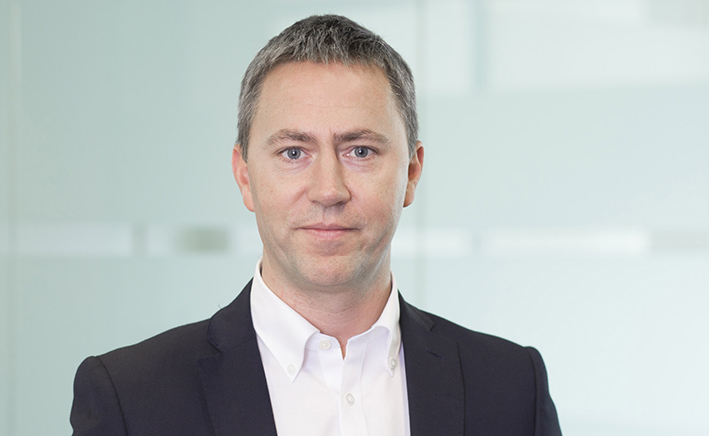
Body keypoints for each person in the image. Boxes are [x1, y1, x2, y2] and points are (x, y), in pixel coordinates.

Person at [70, 14, 562, 436]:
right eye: (293, 153)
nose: (329, 190)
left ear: (411, 173)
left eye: (360, 151)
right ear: (245, 176)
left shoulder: (513, 387)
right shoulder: (130, 399)